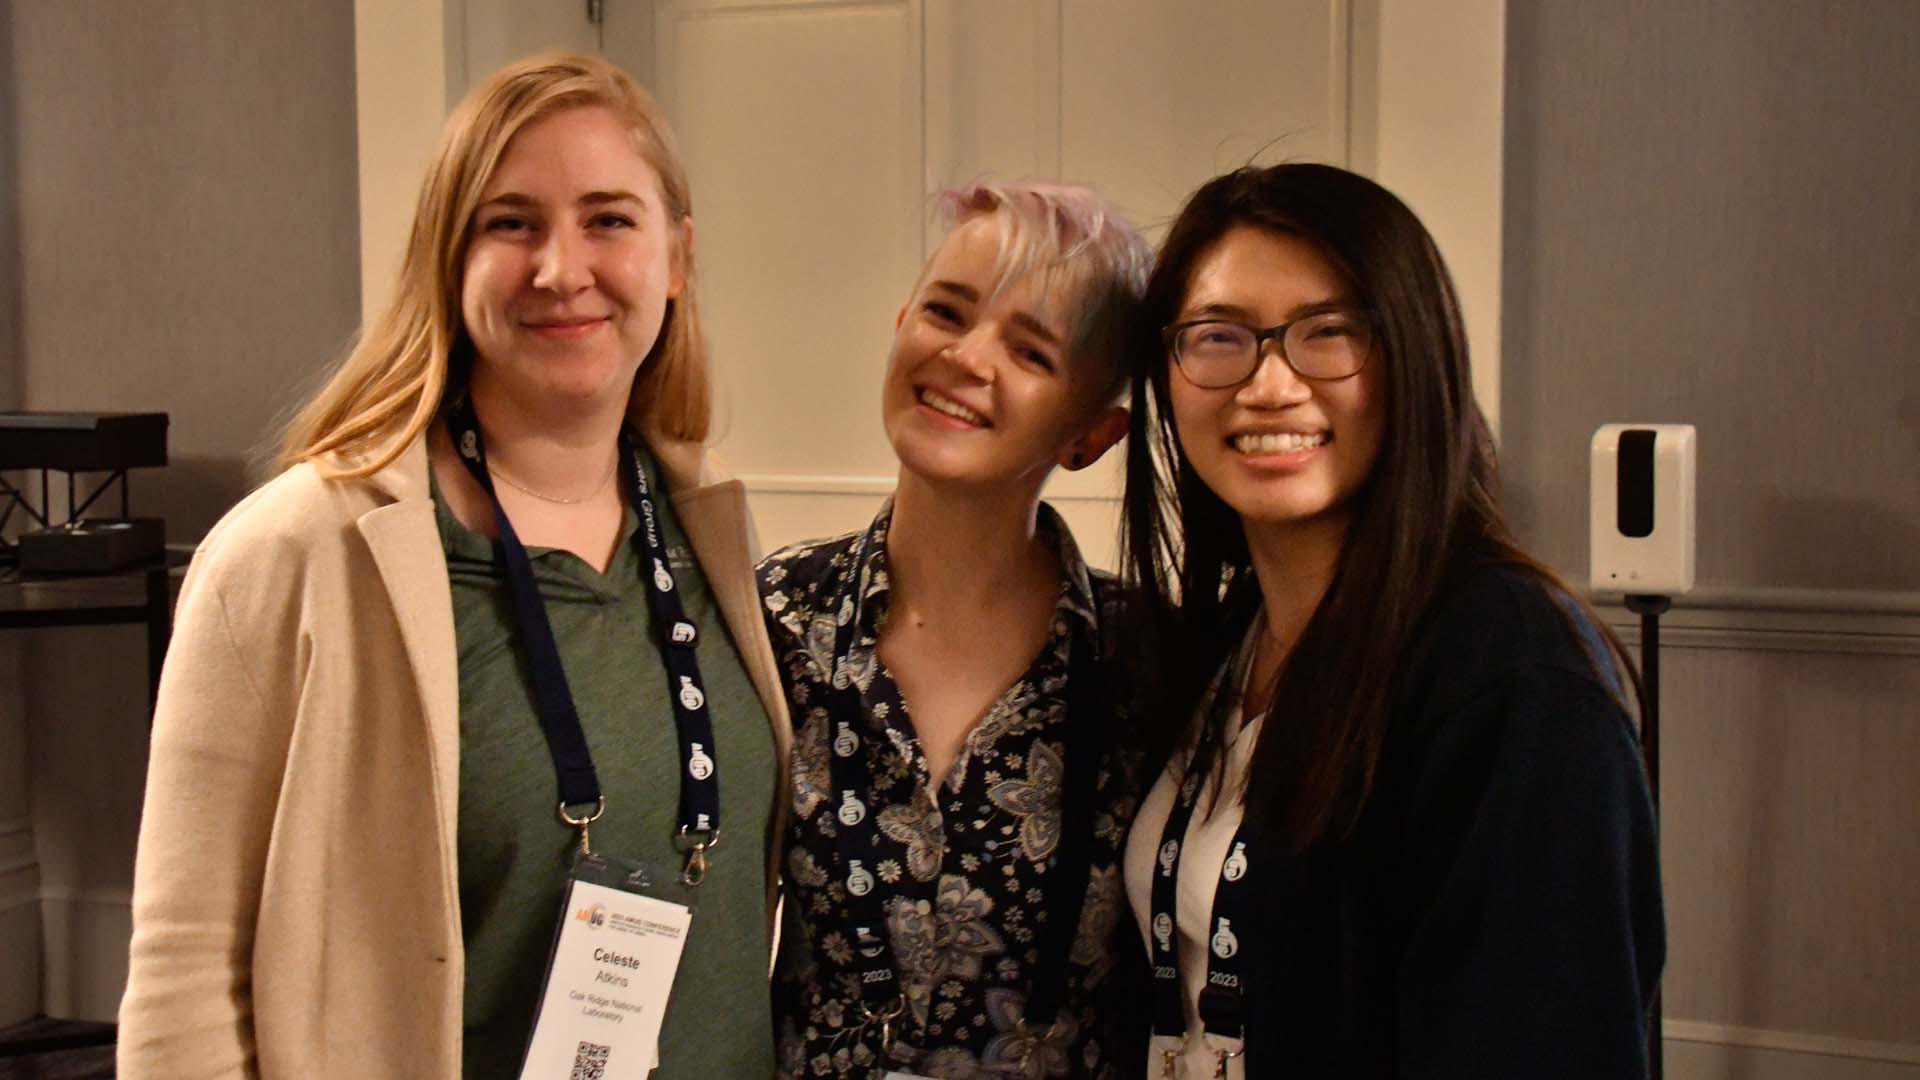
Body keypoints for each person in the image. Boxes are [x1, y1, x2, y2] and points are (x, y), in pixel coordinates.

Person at [118, 54, 792, 1079]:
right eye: (510, 223)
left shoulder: (709, 535)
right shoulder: (291, 555)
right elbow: (184, 981)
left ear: (677, 258)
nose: (560, 269)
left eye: (608, 219)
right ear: (448, 258)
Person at [1116, 163, 1665, 1078]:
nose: (1269, 383)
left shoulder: (1516, 685)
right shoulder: (1225, 641)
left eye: (1329, 332)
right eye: (1219, 337)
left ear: (1416, 356)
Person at [756, 182, 1151, 1078]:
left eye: (1030, 350)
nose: (966, 357)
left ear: (1092, 433)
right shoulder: (774, 615)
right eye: (946, 312)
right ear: (901, 325)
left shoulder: (1150, 661)